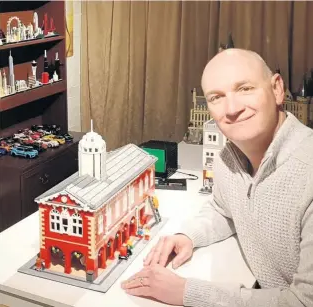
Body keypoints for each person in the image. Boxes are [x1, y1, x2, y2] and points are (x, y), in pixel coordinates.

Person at [121, 48, 313, 306]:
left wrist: (187, 292)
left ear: (277, 89)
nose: (232, 109)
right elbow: (225, 209)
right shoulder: (227, 158)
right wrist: (189, 236)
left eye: (245, 89)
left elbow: (303, 302)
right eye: (217, 97)